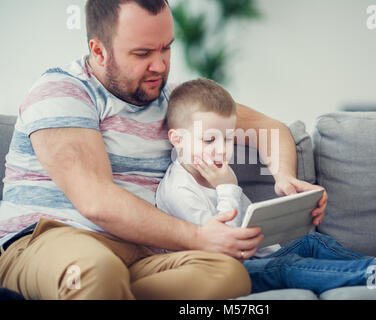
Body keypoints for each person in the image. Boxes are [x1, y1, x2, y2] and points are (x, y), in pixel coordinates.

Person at [0, 0, 328, 300]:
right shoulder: (62, 90)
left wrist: (285, 178)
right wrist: (200, 238)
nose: (159, 65)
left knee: (227, 273)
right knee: (96, 271)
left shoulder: (175, 102)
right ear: (98, 51)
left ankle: (112, 292)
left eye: (166, 48)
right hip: (48, 240)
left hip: (141, 255)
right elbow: (97, 202)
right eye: (142, 53)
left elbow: (268, 128)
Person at [156, 78, 376, 294]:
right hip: (220, 270)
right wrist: (227, 188)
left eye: (228, 139)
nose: (222, 150)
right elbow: (223, 247)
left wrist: (283, 224)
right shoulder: (180, 191)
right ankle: (375, 274)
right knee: (285, 266)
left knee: (311, 242)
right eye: (209, 140)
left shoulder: (217, 172)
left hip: (253, 257)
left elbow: (250, 225)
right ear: (177, 139)